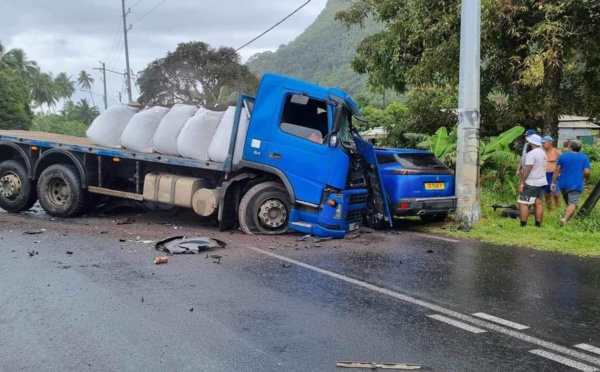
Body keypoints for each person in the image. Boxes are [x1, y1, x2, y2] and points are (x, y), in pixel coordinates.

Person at [551, 141, 591, 226]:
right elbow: (587, 172)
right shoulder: (584, 157)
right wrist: (587, 179)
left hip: (563, 184)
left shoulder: (563, 156)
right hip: (576, 184)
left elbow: (557, 170)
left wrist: (553, 182)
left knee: (569, 204)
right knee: (572, 203)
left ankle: (570, 221)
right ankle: (565, 219)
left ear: (570, 148)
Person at [518, 134, 547, 227]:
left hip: (532, 182)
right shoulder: (543, 153)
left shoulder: (531, 154)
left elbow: (528, 168)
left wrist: (522, 182)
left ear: (531, 142)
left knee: (523, 203)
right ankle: (538, 224)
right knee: (538, 203)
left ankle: (523, 225)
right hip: (542, 181)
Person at [541, 136, 562, 211]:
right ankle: (550, 211)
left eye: (544, 142)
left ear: (550, 142)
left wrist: (560, 172)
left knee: (556, 194)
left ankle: (558, 210)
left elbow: (563, 163)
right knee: (547, 194)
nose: (543, 144)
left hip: (553, 175)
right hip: (543, 175)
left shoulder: (556, 152)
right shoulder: (541, 152)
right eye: (542, 143)